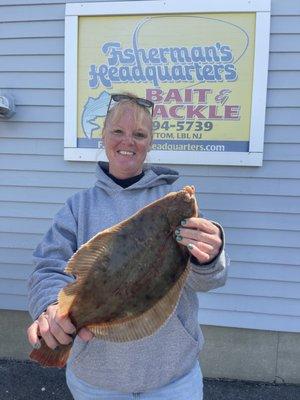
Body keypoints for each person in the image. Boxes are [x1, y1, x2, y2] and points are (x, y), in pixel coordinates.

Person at [27, 93, 228, 400]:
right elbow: (48, 266)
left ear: (150, 142)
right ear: (103, 136)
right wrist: (51, 309)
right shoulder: (78, 207)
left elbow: (206, 279)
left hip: (172, 379)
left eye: (139, 134)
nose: (128, 141)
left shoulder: (172, 201)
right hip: (95, 382)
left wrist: (209, 256)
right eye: (118, 131)